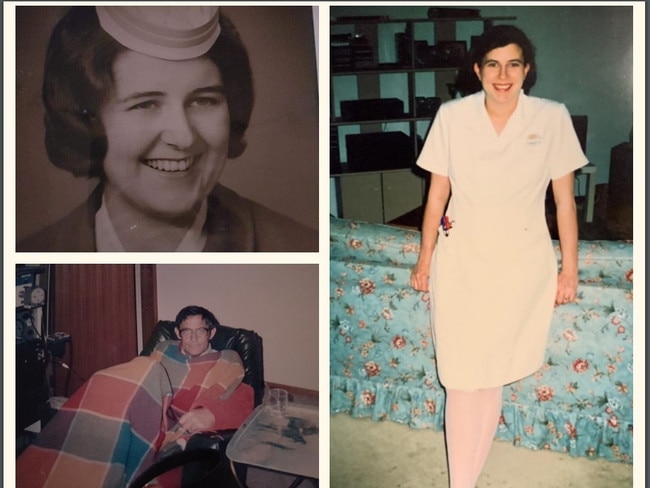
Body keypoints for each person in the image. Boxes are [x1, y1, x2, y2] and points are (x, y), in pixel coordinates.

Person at [410, 25, 587, 488]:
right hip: (461, 261)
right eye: (492, 64)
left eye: (513, 64)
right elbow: (436, 197)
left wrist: (570, 268)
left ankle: (461, 481)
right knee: (461, 373)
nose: (502, 75)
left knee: (487, 376)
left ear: (527, 71)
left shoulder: (551, 117)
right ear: (477, 70)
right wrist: (424, 258)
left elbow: (565, 201)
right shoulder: (452, 116)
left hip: (521, 264)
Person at [16, 6, 318, 252]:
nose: (184, 137)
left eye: (203, 100)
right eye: (145, 104)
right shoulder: (32, 251)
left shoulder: (302, 247)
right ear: (87, 122)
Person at [16, 305, 254, 487]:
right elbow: (140, 379)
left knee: (144, 370)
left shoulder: (226, 358)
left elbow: (245, 395)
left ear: (211, 331)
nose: (192, 338)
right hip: (148, 407)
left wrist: (210, 413)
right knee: (115, 379)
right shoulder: (164, 349)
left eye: (200, 331)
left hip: (173, 422)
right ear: (176, 332)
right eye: (186, 331)